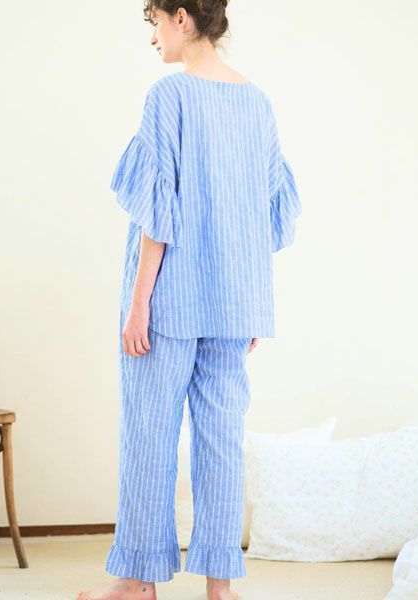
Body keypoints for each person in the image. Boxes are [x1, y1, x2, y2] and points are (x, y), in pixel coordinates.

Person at [78, 1, 301, 599]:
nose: (152, 37)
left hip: (169, 301)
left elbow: (159, 210)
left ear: (181, 17)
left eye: (154, 22)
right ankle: (219, 589)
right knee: (220, 444)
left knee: (148, 437)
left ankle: (136, 583)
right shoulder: (258, 104)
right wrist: (248, 302)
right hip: (232, 303)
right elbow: (263, 211)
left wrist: (138, 304)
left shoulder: (169, 96)